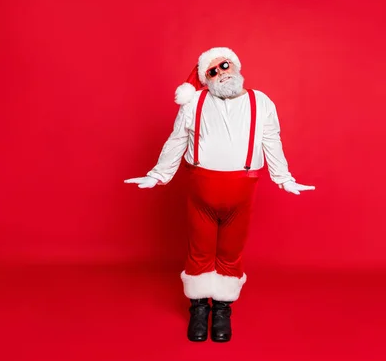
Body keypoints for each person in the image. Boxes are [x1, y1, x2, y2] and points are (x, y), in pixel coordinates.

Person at [124, 47, 315, 342]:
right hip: (201, 193)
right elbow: (177, 140)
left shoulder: (260, 101)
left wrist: (283, 178)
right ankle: (199, 308)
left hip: (241, 194)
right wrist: (158, 175)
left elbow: (271, 140)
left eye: (224, 65)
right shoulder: (195, 103)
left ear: (235, 65)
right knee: (199, 250)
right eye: (212, 71)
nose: (221, 73)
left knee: (231, 252)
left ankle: (223, 309)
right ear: (205, 79)